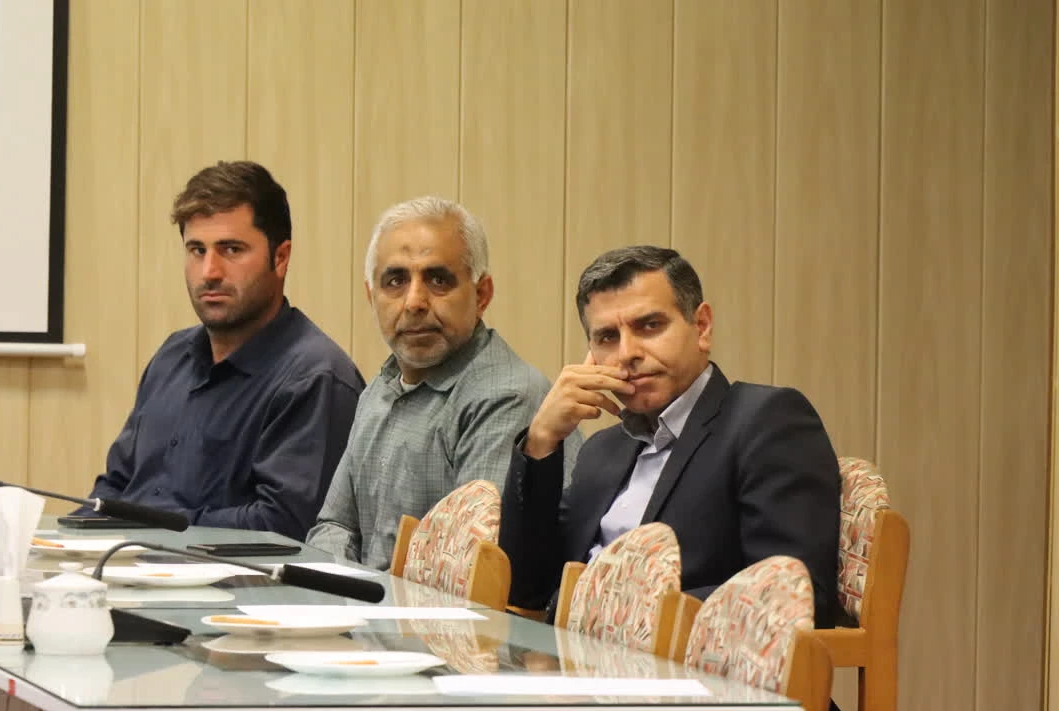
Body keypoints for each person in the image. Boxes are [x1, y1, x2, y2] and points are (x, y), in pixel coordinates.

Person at [499, 246, 840, 627]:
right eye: (607, 337)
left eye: (650, 326)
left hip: (681, 661)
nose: (627, 353)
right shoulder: (602, 450)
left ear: (702, 327)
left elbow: (793, 595)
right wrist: (542, 441)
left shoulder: (766, 421)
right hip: (568, 656)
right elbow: (525, 590)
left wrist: (620, 612)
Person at [76, 161, 365, 539]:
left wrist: (151, 525)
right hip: (128, 563)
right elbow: (116, 486)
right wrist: (63, 540)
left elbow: (283, 527)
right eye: (197, 250)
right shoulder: (171, 357)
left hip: (222, 577)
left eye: (231, 249)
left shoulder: (316, 377)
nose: (209, 271)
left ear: (280, 258)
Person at [306, 196, 579, 569]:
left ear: (482, 295)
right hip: (367, 600)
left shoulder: (506, 395)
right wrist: (337, 588)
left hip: (439, 607)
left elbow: (465, 570)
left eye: (437, 280)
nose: (414, 301)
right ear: (371, 296)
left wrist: (359, 594)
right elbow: (334, 525)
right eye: (395, 281)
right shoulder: (380, 389)